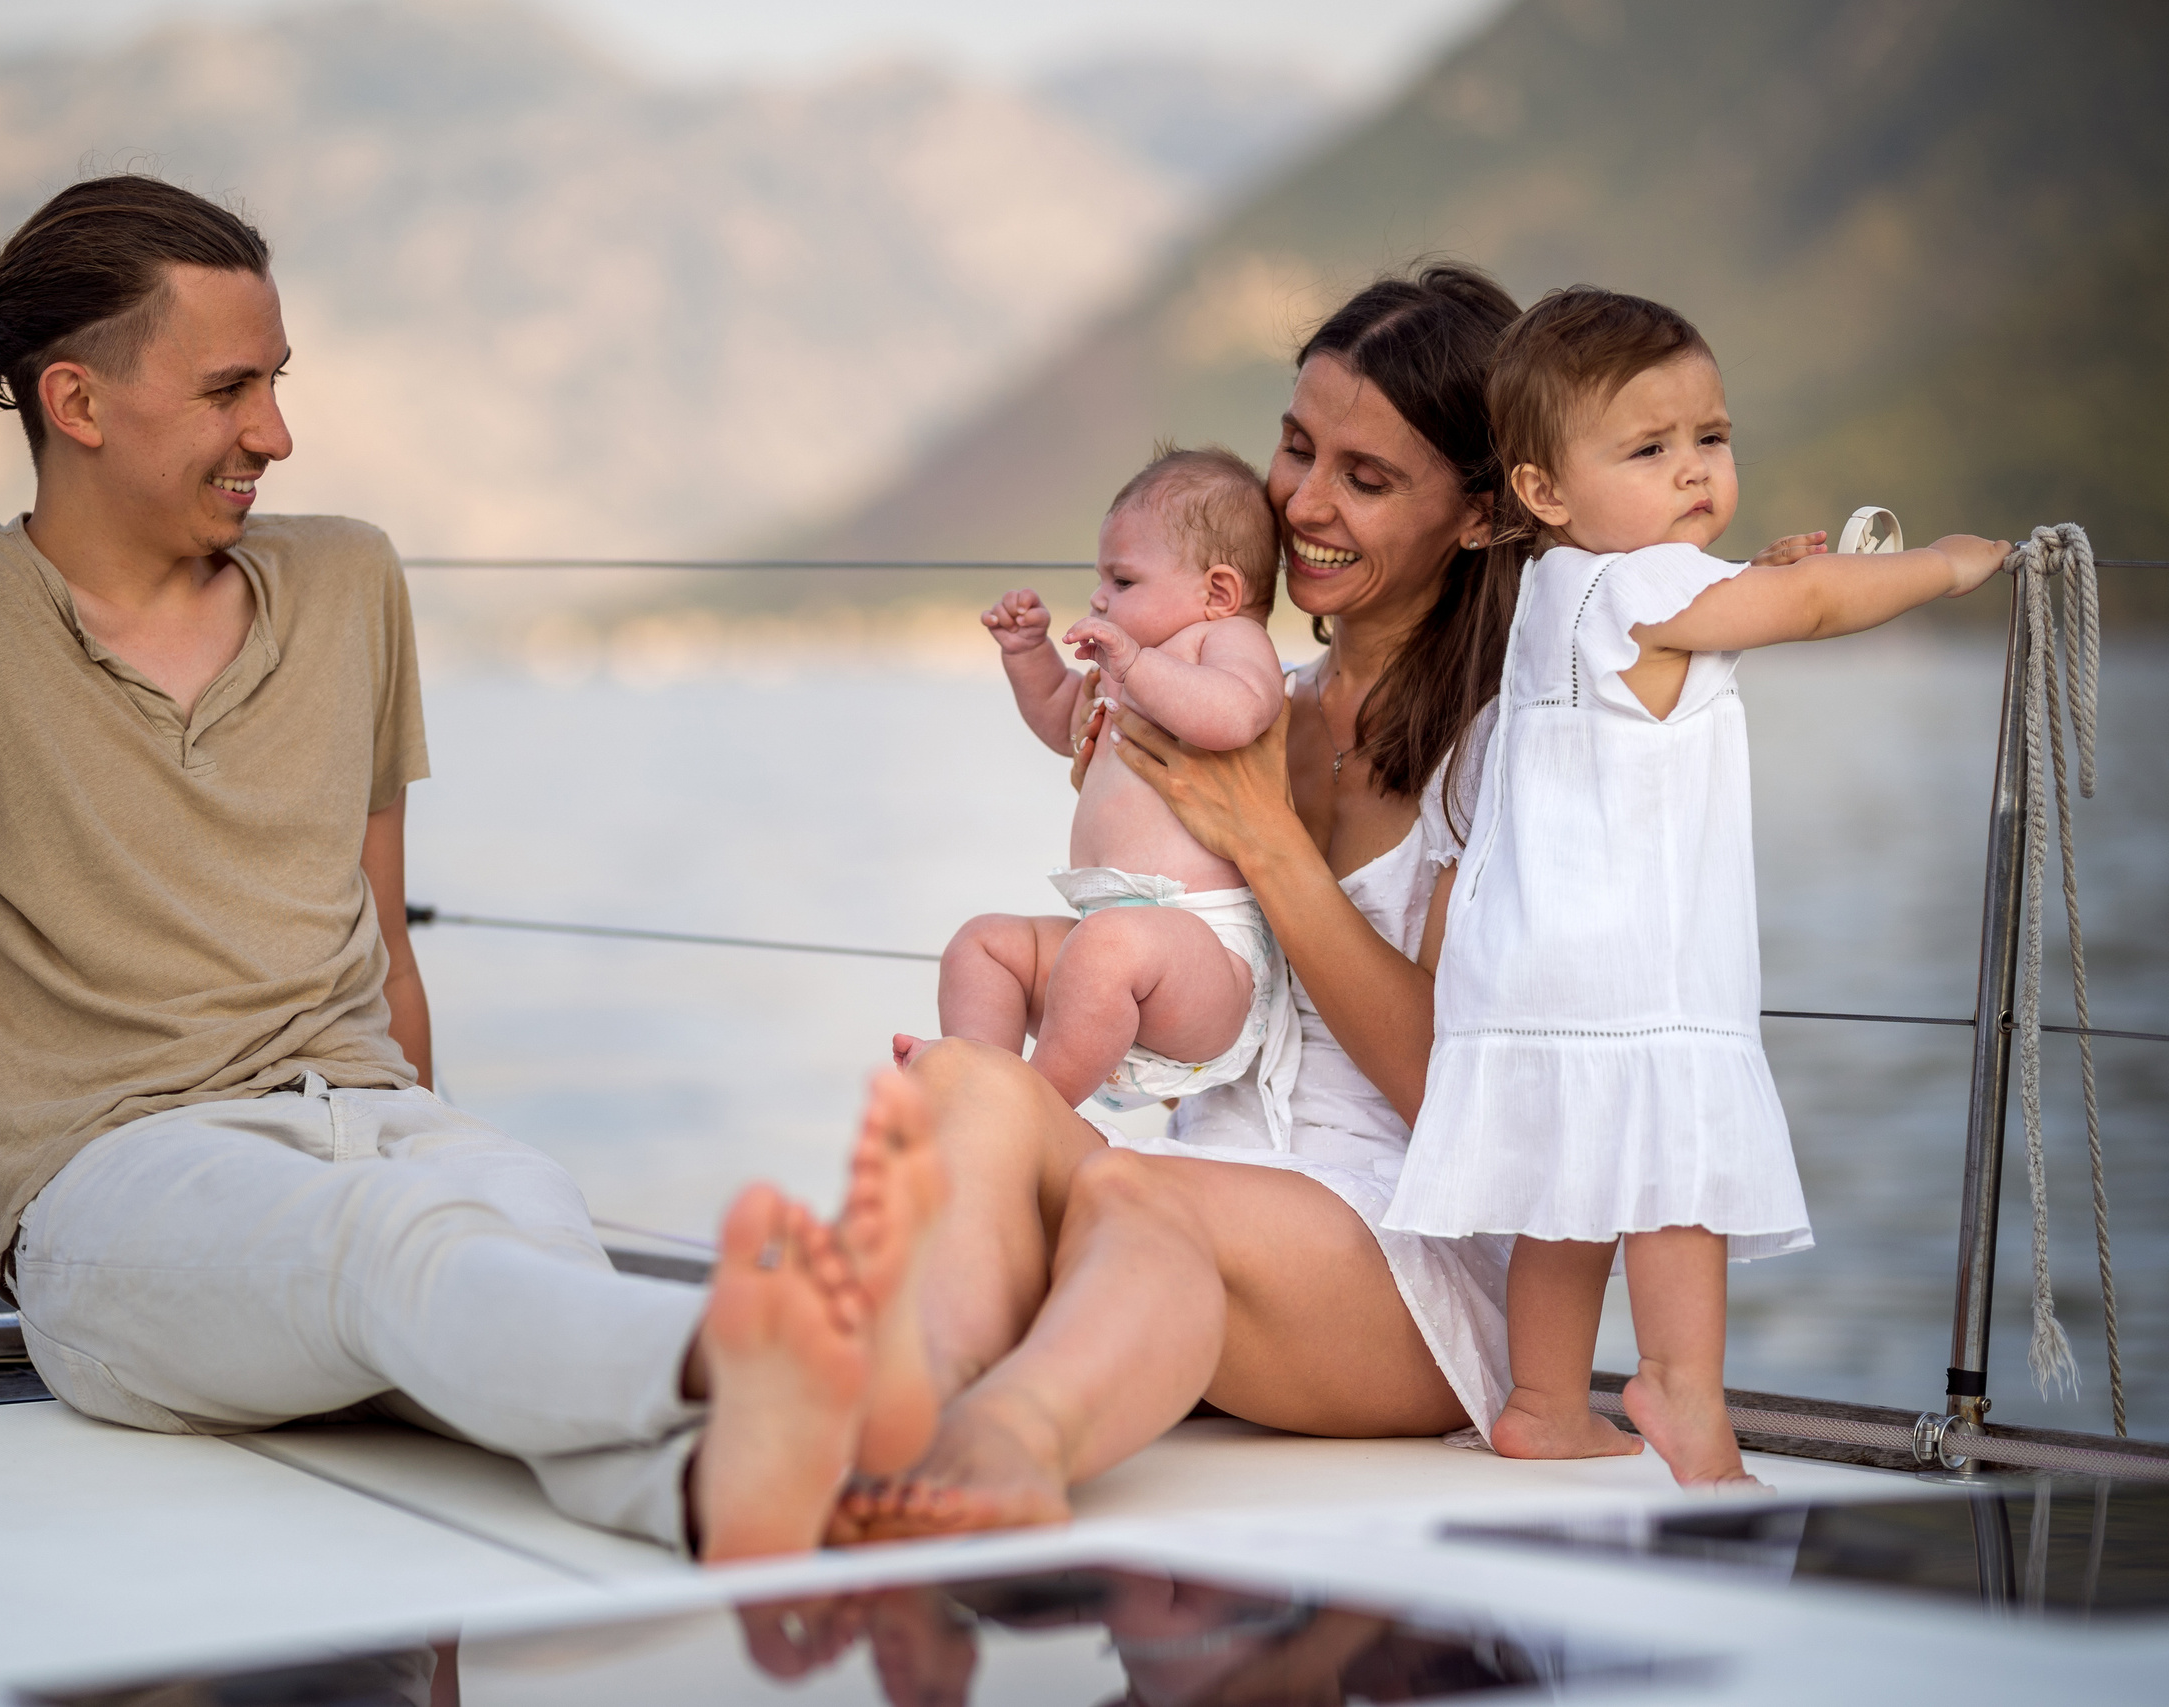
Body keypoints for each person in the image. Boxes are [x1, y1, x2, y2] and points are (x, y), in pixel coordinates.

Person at [0, 174, 943, 1562]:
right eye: (230, 389)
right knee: (396, 1253)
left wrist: (433, 1153)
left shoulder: (352, 581)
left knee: (498, 1243)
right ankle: (792, 1353)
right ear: (77, 403)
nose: (277, 433)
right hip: (118, 1186)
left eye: (280, 382)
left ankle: (735, 1490)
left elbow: (386, 950)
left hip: (389, 1132)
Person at [835, 264, 1533, 1540]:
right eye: (1295, 447)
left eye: (1366, 480)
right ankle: (903, 1406)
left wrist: (1269, 845)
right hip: (1194, 1190)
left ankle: (1006, 1442)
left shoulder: (1500, 752)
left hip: (1394, 1272)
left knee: (1129, 1194)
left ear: (1480, 516)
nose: (1304, 505)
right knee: (960, 1088)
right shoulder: (1224, 689)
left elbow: (1460, 1101)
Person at [1386, 286, 2009, 1484]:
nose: (1692, 472)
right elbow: (1817, 604)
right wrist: (1940, 567)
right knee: (1674, 1165)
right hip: (1638, 958)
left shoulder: (1559, 590)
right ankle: (1677, 1385)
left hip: (1534, 959)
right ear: (1542, 492)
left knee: (1566, 1182)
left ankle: (1542, 1399)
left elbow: (1718, 617)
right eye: (1649, 448)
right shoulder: (1640, 592)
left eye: (1710, 440)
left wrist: (1740, 578)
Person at [933, 446, 1292, 1129]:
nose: (1100, 597)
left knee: (1105, 950)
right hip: (1109, 949)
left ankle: (1026, 1114)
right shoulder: (1127, 673)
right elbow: (1062, 719)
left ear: (1218, 592)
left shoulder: (1223, 641)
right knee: (981, 946)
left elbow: (1238, 710)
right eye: (1101, 579)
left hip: (1206, 951)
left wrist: (1138, 665)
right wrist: (1030, 656)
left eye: (1123, 580)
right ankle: (976, 1088)